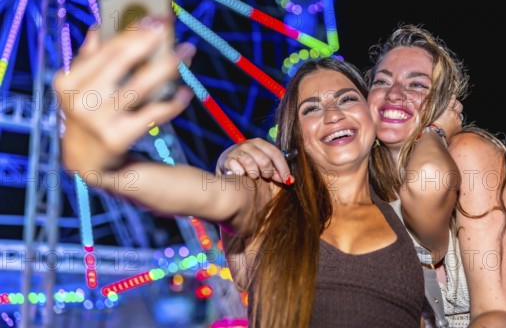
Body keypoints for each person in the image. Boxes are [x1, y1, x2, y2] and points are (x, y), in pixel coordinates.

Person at [53, 22, 434, 327]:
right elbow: (208, 194)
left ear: (371, 115)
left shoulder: (412, 209)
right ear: (296, 137)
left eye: (347, 99)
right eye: (311, 109)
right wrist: (102, 165)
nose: (333, 114)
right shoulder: (270, 198)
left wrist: (438, 123)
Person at [217, 24, 506, 327]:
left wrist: (434, 134)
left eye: (417, 85)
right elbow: (249, 274)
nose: (396, 93)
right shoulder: (362, 189)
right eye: (382, 81)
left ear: (444, 103)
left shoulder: (469, 156)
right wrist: (231, 167)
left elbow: (497, 317)